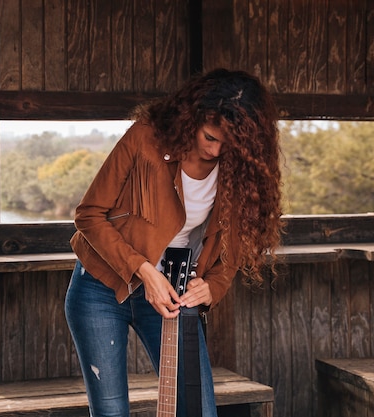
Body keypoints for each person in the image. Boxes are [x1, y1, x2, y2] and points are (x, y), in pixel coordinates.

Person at [65, 68, 283, 417]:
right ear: (193, 116)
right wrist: (144, 271)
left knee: (198, 410)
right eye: (210, 137)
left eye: (230, 144)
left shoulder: (240, 169)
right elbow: (88, 214)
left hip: (175, 292)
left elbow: (236, 243)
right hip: (101, 288)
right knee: (110, 412)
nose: (216, 150)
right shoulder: (144, 138)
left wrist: (214, 286)